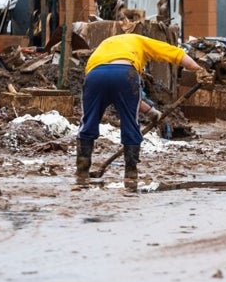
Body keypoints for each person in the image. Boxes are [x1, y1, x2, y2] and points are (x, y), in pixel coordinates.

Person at [77, 32, 208, 190]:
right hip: (125, 73)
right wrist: (198, 69)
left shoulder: (105, 47)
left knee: (89, 122)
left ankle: (82, 170)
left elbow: (116, 87)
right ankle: (131, 174)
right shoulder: (139, 41)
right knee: (130, 123)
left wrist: (151, 112)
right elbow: (175, 53)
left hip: (94, 76)